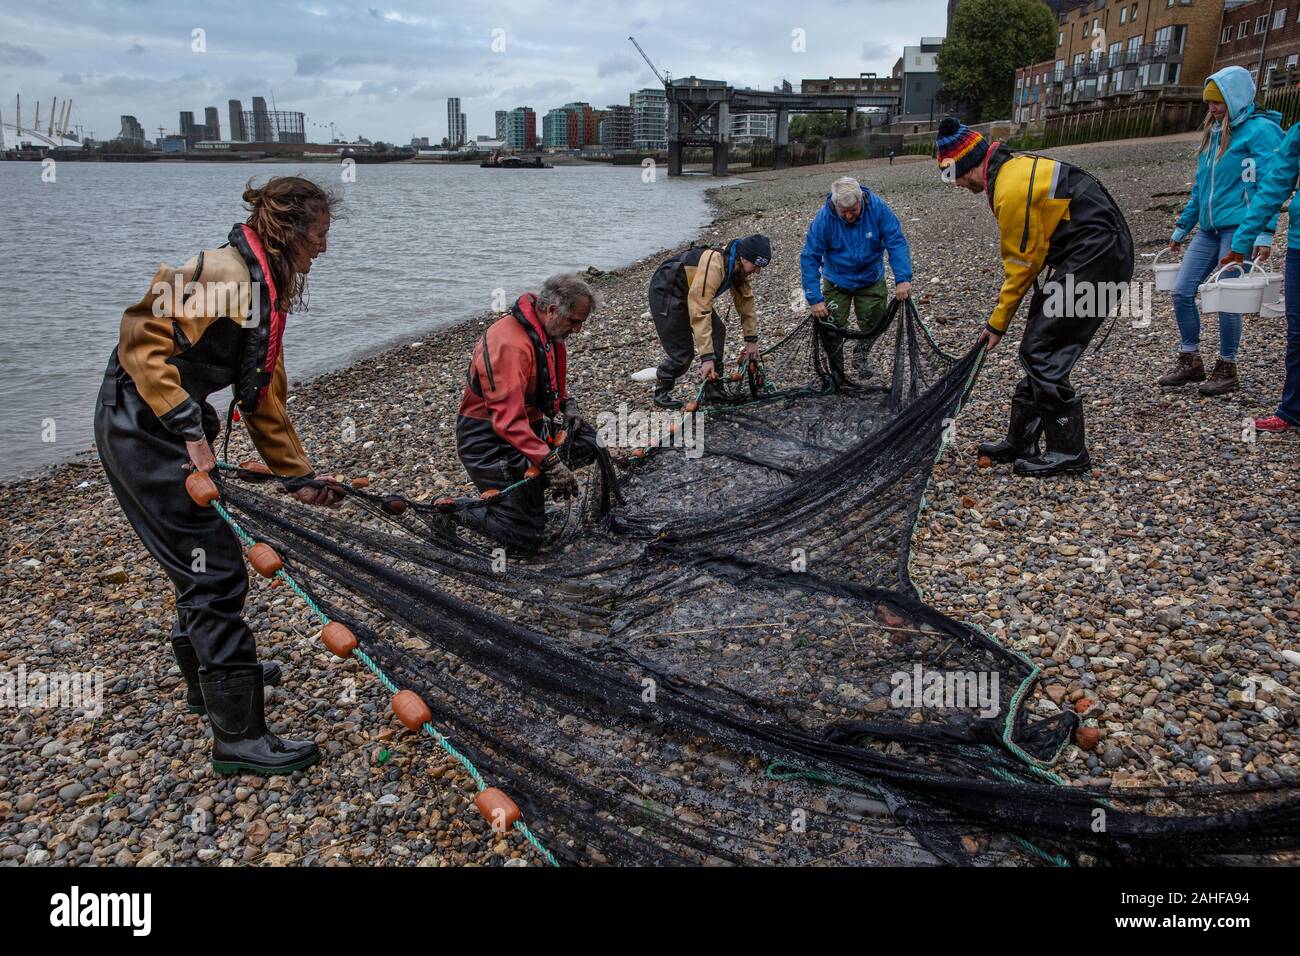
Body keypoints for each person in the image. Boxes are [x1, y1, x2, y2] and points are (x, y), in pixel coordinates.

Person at [94, 176, 342, 775]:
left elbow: (262, 402)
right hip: (140, 428)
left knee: (200, 560)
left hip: (166, 427)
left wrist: (297, 477)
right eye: (320, 235)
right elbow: (139, 340)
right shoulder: (223, 276)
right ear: (288, 228)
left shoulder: (265, 290)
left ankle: (207, 686)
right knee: (215, 570)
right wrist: (189, 429)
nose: (324, 249)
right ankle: (239, 740)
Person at [936, 116, 1134, 477]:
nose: (959, 186)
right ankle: (1021, 440)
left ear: (967, 165)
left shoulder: (1010, 187)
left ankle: (1068, 451)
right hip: (1086, 255)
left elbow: (1021, 266)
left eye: (956, 177)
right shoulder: (1011, 168)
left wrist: (996, 323)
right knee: (1040, 345)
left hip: (1098, 259)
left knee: (1041, 348)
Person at [455, 274, 604, 551]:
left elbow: (547, 379)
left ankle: (530, 492)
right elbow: (508, 421)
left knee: (589, 442)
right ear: (551, 310)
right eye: (574, 321)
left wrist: (566, 404)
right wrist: (551, 464)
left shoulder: (546, 330)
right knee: (525, 537)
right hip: (489, 441)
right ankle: (456, 510)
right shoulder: (509, 345)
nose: (578, 330)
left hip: (530, 427)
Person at [1162, 67, 1282, 396]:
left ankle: (1227, 366)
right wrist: (1182, 227)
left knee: (1228, 297)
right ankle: (1191, 359)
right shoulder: (1215, 133)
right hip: (1208, 230)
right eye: (1209, 103)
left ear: (1236, 97)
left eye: (1218, 102)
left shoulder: (1260, 132)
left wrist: (1264, 233)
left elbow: (1270, 185)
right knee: (1182, 291)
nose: (1212, 109)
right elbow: (1201, 189)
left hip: (1240, 229)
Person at [1220, 114, 1300, 433]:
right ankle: (1292, 411)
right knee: (1297, 333)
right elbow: (1275, 185)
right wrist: (1242, 240)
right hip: (1298, 245)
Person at [799, 175, 913, 386]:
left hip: (870, 278)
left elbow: (895, 241)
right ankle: (837, 373)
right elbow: (809, 257)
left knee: (875, 323)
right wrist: (814, 298)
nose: (849, 216)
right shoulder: (823, 219)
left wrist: (902, 278)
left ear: (861, 200)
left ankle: (861, 355)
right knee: (832, 327)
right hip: (836, 281)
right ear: (836, 205)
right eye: (844, 212)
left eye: (854, 210)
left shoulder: (878, 209)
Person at [647, 234, 771, 409]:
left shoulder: (737, 268)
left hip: (692, 291)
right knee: (682, 352)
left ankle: (713, 390)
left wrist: (751, 340)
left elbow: (746, 303)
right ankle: (662, 391)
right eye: (757, 266)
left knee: (717, 330)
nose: (757, 271)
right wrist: (707, 358)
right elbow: (700, 310)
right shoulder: (715, 264)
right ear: (744, 258)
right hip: (667, 291)